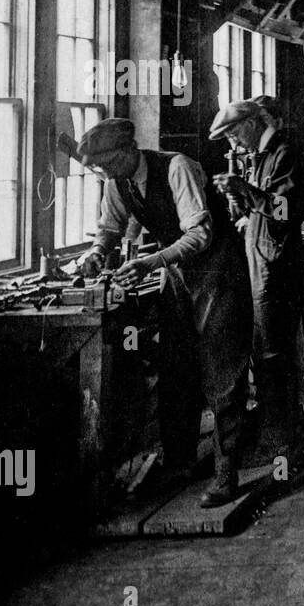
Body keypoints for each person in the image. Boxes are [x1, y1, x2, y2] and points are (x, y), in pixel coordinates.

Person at [74, 118, 254, 508]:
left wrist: (151, 261)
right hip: (175, 273)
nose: (103, 174)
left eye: (106, 165)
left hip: (217, 269)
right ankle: (181, 463)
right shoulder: (116, 181)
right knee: (178, 369)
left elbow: (200, 235)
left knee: (222, 372)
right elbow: (110, 227)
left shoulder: (177, 168)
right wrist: (96, 253)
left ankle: (227, 473)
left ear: (125, 152)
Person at [210, 100, 304, 468]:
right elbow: (262, 209)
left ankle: (279, 439)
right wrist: (239, 199)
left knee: (273, 353)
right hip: (262, 261)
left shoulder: (284, 154)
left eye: (235, 134)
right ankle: (278, 430)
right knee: (265, 350)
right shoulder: (263, 156)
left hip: (277, 266)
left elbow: (288, 210)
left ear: (253, 124)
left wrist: (245, 188)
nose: (233, 145)